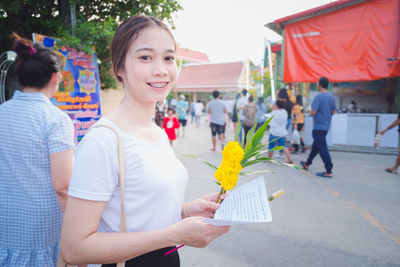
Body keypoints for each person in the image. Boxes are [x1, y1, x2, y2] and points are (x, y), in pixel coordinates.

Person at [60, 15, 229, 267]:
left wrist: (187, 211)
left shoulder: (158, 132)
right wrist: (175, 234)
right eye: (145, 57)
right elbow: (74, 249)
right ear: (119, 68)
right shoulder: (104, 140)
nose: (161, 69)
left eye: (168, 58)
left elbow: (140, 208)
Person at [0, 33, 74, 266]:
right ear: (54, 77)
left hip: (5, 221)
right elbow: (63, 186)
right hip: (42, 228)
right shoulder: (55, 120)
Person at [300, 77, 336, 178]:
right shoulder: (331, 97)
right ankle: (307, 163)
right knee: (316, 147)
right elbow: (333, 111)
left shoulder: (318, 97)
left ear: (319, 84)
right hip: (326, 126)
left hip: (318, 126)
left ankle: (329, 170)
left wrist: (311, 111)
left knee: (322, 148)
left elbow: (313, 112)